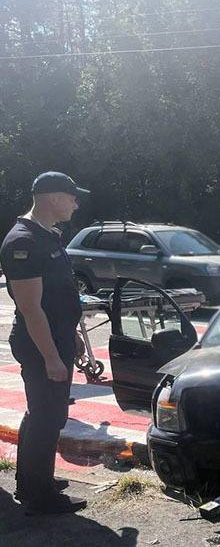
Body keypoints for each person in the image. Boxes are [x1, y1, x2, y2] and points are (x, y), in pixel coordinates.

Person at [0, 172, 89, 514]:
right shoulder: (23, 241)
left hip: (56, 339)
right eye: (72, 197)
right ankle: (37, 495)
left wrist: (75, 338)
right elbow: (31, 308)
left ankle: (39, 479)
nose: (75, 203)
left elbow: (61, 296)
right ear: (53, 198)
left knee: (50, 414)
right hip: (40, 344)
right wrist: (52, 357)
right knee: (44, 416)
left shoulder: (45, 236)